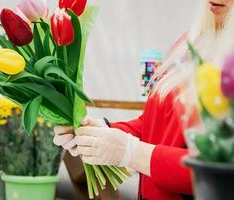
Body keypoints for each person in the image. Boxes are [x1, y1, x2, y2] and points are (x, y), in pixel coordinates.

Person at [53, 0, 234, 199]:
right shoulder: (190, 43)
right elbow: (155, 125)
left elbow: (218, 172)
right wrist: (100, 132)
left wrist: (131, 152)